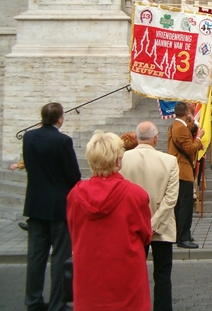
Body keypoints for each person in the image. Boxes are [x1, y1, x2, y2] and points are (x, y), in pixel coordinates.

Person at [67, 131, 152, 311]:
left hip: (89, 273)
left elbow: (73, 230)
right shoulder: (135, 195)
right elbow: (146, 235)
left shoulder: (75, 195)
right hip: (125, 274)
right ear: (118, 160)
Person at [23, 102, 81, 311]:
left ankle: (33, 300)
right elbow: (73, 175)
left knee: (35, 256)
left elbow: (30, 166)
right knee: (59, 256)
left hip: (36, 203)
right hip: (58, 206)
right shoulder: (62, 141)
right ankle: (57, 303)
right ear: (60, 119)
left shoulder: (29, 137)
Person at [121, 121, 179, 311]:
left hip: (133, 227)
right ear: (156, 139)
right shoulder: (169, 160)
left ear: (137, 138)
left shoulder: (123, 159)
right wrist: (153, 224)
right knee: (162, 275)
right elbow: (171, 199)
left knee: (132, 275)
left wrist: (142, 224)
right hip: (161, 227)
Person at [167, 102, 204, 249]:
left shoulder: (173, 126)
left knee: (179, 205)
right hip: (183, 170)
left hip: (176, 169)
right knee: (185, 206)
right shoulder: (181, 128)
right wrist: (199, 138)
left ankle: (179, 234)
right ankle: (183, 237)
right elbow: (188, 148)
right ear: (186, 113)